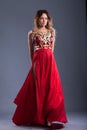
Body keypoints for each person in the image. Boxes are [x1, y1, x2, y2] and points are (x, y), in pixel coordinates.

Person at [12, 9, 68, 127]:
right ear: (37, 19)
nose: (44, 21)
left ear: (48, 20)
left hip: (50, 62)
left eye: (46, 18)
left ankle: (48, 118)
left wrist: (49, 59)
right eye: (42, 18)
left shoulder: (52, 31)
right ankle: (38, 117)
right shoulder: (32, 33)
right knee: (38, 88)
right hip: (38, 62)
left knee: (51, 88)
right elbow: (31, 52)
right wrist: (34, 64)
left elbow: (51, 50)